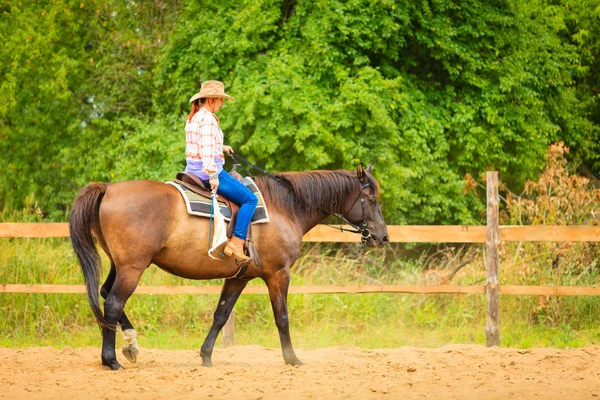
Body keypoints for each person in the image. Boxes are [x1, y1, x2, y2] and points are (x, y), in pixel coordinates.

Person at [185, 80, 258, 262]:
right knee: (250, 199)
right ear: (211, 100)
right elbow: (207, 151)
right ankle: (236, 242)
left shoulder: (194, 117)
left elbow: (201, 142)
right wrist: (213, 176)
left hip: (191, 169)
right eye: (220, 100)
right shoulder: (208, 120)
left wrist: (222, 146)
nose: (222, 104)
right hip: (208, 171)